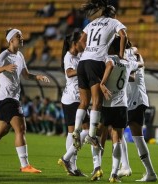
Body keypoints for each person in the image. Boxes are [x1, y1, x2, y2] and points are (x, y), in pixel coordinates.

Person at [0, 28, 50, 173]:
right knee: (21, 128)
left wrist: (37, 77)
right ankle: (25, 165)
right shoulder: (4, 54)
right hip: (8, 98)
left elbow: (25, 75)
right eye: (19, 36)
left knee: (1, 130)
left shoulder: (19, 55)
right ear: (11, 40)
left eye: (21, 35)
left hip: (10, 98)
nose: (22, 38)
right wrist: (4, 67)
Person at [72, 0, 127, 153]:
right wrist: (121, 55)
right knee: (97, 101)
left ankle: (76, 131)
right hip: (96, 62)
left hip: (83, 62)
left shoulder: (93, 23)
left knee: (83, 101)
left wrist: (88, 51)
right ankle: (90, 135)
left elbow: (81, 41)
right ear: (113, 14)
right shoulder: (114, 22)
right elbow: (123, 36)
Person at [99, 36, 143, 182]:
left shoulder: (109, 59)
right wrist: (137, 56)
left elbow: (107, 66)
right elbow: (141, 64)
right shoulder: (129, 62)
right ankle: (114, 174)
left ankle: (96, 167)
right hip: (122, 105)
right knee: (117, 139)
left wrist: (102, 84)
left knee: (101, 135)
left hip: (107, 104)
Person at [117, 42, 158, 182]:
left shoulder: (129, 56)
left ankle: (127, 166)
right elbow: (134, 50)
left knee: (119, 133)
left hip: (134, 101)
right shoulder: (133, 54)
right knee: (130, 136)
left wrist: (116, 75)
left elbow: (132, 77)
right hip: (136, 100)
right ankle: (149, 172)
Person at [57, 31, 89, 177]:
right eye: (82, 42)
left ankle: (70, 164)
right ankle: (70, 162)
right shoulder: (69, 57)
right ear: (75, 43)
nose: (85, 44)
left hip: (79, 99)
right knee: (83, 131)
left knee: (79, 132)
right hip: (72, 99)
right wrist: (83, 70)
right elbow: (69, 73)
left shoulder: (80, 55)